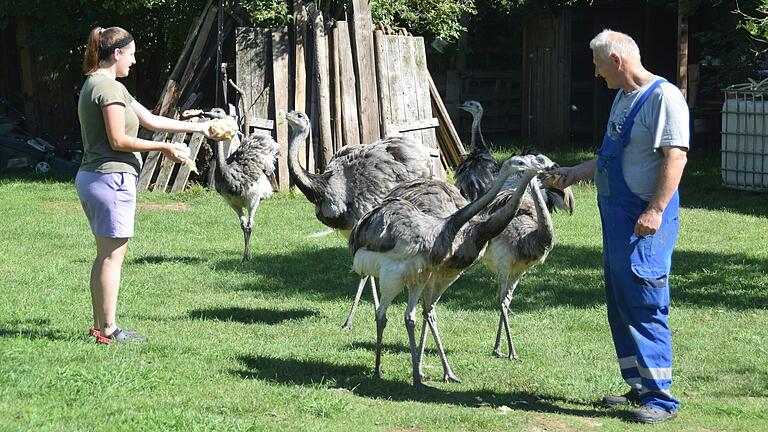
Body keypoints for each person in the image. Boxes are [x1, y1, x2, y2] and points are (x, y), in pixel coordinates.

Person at [554, 29, 688, 424]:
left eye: (597, 65)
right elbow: (612, 155)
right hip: (616, 220)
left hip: (644, 220)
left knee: (645, 302)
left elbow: (675, 157)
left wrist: (656, 210)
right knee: (621, 303)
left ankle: (661, 399)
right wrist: (574, 173)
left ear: (616, 61)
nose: (596, 74)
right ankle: (638, 385)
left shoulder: (664, 98)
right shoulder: (623, 98)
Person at [76, 26, 220, 344]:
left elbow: (151, 120)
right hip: (110, 178)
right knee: (112, 257)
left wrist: (198, 128)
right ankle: (110, 331)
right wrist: (164, 148)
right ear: (117, 53)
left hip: (96, 177)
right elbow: (118, 140)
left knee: (105, 255)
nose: (135, 60)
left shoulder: (103, 85)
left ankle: (101, 326)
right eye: (132, 54)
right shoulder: (109, 89)